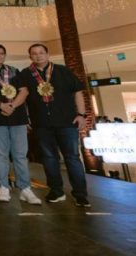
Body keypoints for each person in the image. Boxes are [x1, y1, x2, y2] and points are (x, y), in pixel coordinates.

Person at [14, 43, 90, 207]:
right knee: (49, 158)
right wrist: (25, 118)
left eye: (41, 53)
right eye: (34, 54)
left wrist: (81, 115)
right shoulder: (26, 74)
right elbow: (23, 96)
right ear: (30, 57)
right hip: (41, 123)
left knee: (72, 158)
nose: (38, 56)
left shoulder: (63, 71)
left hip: (67, 122)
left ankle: (80, 194)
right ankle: (56, 191)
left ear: (48, 54)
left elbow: (78, 92)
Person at [0, 43, 41, 205]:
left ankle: (25, 189)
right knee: (0, 155)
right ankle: (3, 187)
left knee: (20, 155)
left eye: (1, 54)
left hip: (17, 118)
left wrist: (12, 106)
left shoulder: (14, 71)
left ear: (4, 55)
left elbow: (24, 91)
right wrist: (1, 105)